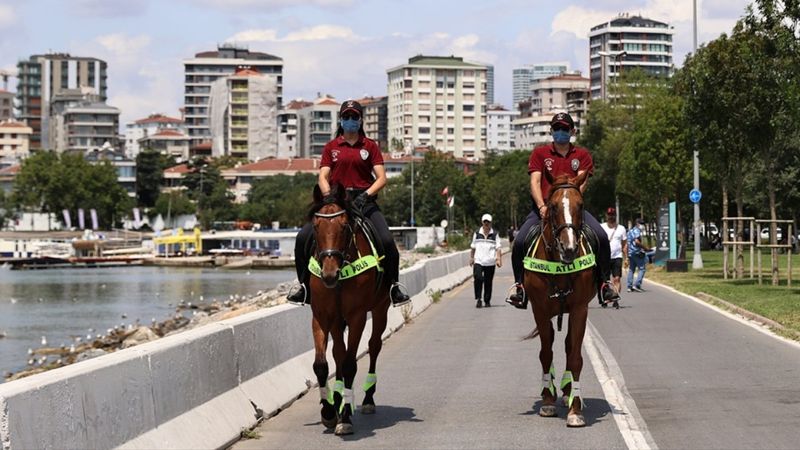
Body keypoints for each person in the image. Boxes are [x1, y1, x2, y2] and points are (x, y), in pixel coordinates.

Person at [287, 100, 411, 307]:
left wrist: (366, 195)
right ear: (341, 120)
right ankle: (304, 287)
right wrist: (328, 196)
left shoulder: (370, 146)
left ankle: (393, 287)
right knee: (302, 238)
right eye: (347, 117)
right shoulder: (331, 147)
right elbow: (323, 176)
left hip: (364, 202)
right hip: (337, 202)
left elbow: (381, 178)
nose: (351, 121)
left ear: (361, 120)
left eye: (354, 117)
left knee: (388, 242)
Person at [507, 112, 620, 309]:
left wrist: (571, 200)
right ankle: (520, 288)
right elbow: (534, 181)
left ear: (572, 131)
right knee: (520, 242)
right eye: (557, 128)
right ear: (551, 131)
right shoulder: (539, 154)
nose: (560, 132)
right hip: (543, 210)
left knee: (601, 237)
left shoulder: (582, 156)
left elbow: (582, 184)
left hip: (573, 210)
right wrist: (542, 206)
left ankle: (604, 284)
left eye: (564, 129)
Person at [470, 214, 502, 308]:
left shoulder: (495, 234)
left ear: (491, 223)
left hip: (490, 262)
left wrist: (498, 259)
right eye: (485, 222)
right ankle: (479, 298)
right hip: (478, 261)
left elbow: (498, 248)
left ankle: (487, 300)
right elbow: (473, 247)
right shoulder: (477, 233)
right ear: (482, 222)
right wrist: (471, 258)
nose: (486, 224)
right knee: (478, 278)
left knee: (488, 282)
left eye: (488, 222)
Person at [601, 207, 627, 305]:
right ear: (606, 216)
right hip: (604, 257)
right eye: (609, 215)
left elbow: (624, 244)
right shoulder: (602, 227)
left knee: (617, 278)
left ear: (615, 216)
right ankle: (606, 298)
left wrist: (626, 257)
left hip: (617, 256)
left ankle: (615, 298)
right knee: (605, 280)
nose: (611, 217)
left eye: (613, 215)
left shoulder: (621, 228)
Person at [626, 218, 652, 292]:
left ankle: (629, 286)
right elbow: (637, 242)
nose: (643, 225)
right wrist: (645, 248)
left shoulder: (630, 231)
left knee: (631, 269)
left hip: (631, 253)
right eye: (641, 224)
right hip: (637, 252)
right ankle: (637, 285)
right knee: (642, 269)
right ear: (637, 223)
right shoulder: (636, 231)